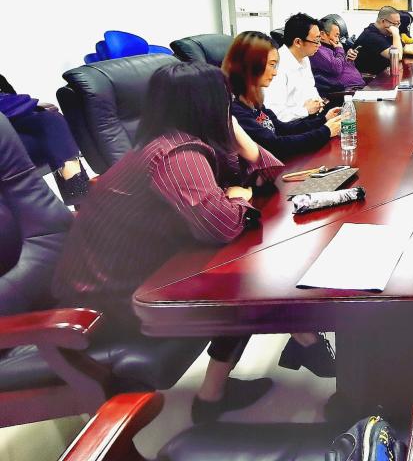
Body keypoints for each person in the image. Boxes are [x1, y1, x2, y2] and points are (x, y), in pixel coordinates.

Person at [52, 61, 283, 423]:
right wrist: (241, 200)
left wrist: (237, 138)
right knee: (249, 282)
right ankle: (213, 398)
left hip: (137, 273)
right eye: (224, 99)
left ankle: (302, 347)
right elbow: (221, 226)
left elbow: (271, 175)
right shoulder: (177, 153)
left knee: (249, 269)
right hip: (106, 301)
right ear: (210, 104)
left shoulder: (182, 143)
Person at [224, 31, 343, 159]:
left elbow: (282, 129)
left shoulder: (253, 102)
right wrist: (325, 131)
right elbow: (277, 146)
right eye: (271, 65)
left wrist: (324, 120)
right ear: (251, 64)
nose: (275, 72)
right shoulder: (235, 111)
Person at [0, 73, 90, 205]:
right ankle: (83, 200)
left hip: (14, 123)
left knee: (52, 120)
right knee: (51, 137)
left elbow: (13, 98)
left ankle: (81, 195)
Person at [263, 13, 325, 122]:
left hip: (309, 118)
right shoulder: (277, 65)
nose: (319, 45)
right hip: (290, 125)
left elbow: (311, 88)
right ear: (298, 42)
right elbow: (275, 113)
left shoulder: (304, 58)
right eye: (316, 41)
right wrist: (305, 110)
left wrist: (318, 102)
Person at [353, 6, 413, 74]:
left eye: (399, 23)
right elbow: (397, 57)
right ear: (383, 21)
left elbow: (402, 47)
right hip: (370, 78)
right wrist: (396, 34)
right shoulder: (371, 36)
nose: (397, 27)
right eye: (395, 23)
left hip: (383, 72)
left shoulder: (384, 32)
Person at [309, 17, 365, 93]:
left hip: (359, 88)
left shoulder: (333, 48)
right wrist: (340, 49)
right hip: (346, 92)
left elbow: (344, 67)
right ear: (322, 35)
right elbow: (336, 68)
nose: (338, 40)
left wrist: (348, 60)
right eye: (336, 35)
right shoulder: (318, 50)